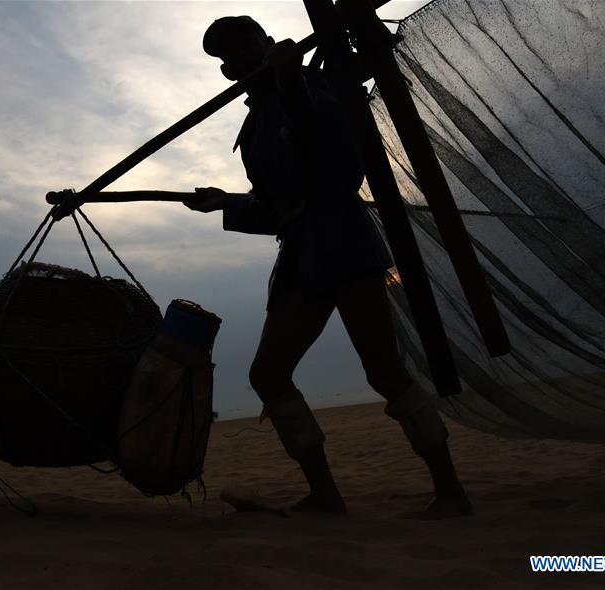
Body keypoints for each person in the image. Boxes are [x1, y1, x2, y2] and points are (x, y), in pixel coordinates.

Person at [182, 16, 472, 518]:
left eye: (247, 44)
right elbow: (277, 208)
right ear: (228, 72)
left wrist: (291, 81)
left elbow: (337, 161)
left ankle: (450, 491)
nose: (241, 58)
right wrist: (225, 201)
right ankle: (325, 495)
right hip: (301, 256)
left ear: (267, 43)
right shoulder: (252, 129)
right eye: (230, 56)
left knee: (383, 371)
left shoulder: (316, 85)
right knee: (268, 374)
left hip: (345, 243)